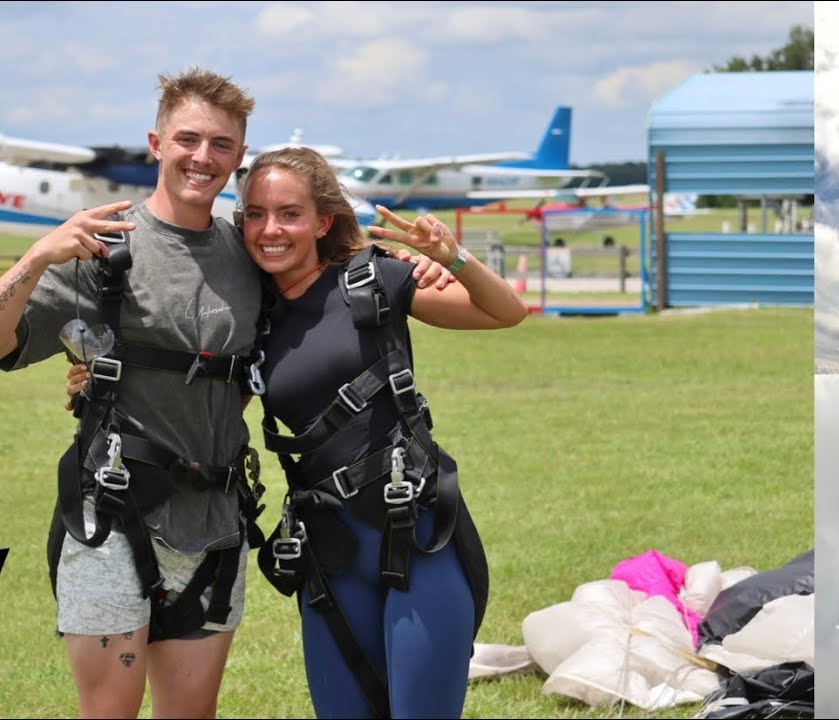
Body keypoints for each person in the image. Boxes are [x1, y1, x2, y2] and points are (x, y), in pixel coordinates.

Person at [225, 146, 528, 718]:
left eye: (289, 214)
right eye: (256, 214)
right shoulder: (251, 316)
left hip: (415, 540)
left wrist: (453, 257)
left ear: (322, 221)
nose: (270, 229)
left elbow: (504, 312)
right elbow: (213, 408)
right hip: (327, 554)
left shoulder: (372, 281)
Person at [0, 67, 262, 718]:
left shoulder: (249, 253)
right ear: (156, 142)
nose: (203, 157)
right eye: (188, 139)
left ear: (239, 156)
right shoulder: (98, 245)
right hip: (114, 523)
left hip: (217, 528)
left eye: (222, 145)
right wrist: (37, 260)